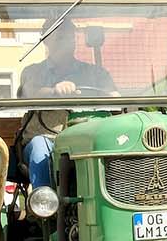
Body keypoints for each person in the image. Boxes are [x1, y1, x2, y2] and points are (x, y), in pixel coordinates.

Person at [17, 21, 115, 188]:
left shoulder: (96, 73)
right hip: (49, 138)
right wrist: (54, 91)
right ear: (46, 40)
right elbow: (28, 92)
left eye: (70, 36)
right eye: (60, 36)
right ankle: (44, 206)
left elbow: (115, 97)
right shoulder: (32, 72)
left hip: (90, 139)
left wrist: (108, 95)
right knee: (40, 146)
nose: (66, 41)